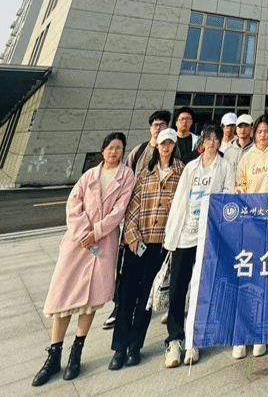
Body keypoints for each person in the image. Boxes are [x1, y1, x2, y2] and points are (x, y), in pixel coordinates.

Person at [33, 133, 135, 386]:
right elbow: (73, 203)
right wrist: (83, 233)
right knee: (62, 296)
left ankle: (76, 352)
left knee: (90, 300)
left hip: (102, 242)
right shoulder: (89, 176)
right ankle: (54, 354)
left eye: (119, 148)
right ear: (102, 151)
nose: (114, 152)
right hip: (78, 243)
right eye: (110, 147)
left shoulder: (126, 176)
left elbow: (119, 211)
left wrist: (96, 233)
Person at [109, 129, 184, 370]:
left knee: (146, 298)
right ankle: (119, 347)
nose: (166, 147)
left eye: (170, 143)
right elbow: (132, 207)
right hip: (137, 243)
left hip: (161, 244)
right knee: (127, 295)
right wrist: (131, 235)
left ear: (174, 146)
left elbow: (181, 208)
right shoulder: (143, 174)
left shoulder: (181, 173)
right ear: (157, 146)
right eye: (162, 143)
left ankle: (135, 347)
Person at [163, 123, 235, 368]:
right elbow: (179, 200)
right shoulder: (191, 167)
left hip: (208, 235)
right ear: (202, 141)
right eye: (208, 138)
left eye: (216, 138)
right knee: (177, 288)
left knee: (200, 288)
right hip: (185, 234)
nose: (212, 142)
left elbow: (228, 197)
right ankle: (174, 339)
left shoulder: (225, 167)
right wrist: (171, 233)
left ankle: (194, 339)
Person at [103, 111, 171, 331]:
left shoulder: (172, 156)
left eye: (162, 124)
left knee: (149, 273)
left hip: (157, 227)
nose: (158, 128)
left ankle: (143, 309)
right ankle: (119, 307)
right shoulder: (139, 151)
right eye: (155, 124)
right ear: (150, 128)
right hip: (135, 219)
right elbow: (125, 181)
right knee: (126, 270)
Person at [232, 115, 268, 359]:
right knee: (247, 276)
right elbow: (240, 185)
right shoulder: (247, 158)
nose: (263, 135)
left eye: (267, 131)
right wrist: (239, 191)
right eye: (259, 131)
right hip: (251, 224)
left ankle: (261, 333)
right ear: (254, 133)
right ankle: (242, 334)